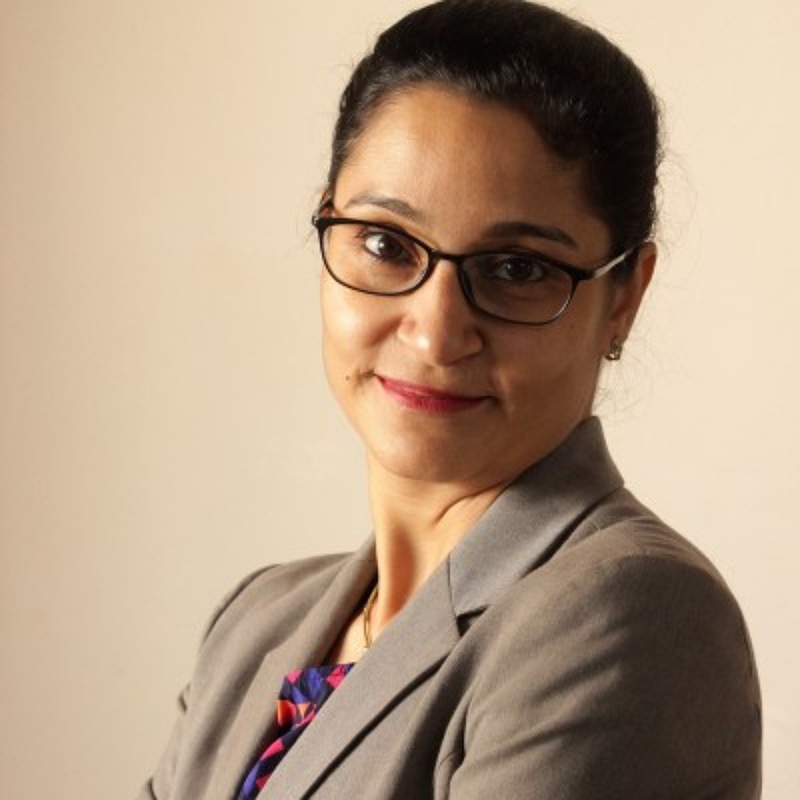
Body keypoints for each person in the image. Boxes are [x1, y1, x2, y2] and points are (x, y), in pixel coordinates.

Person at [139, 1, 761, 797]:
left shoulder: (627, 609)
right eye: (386, 244)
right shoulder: (255, 623)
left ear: (624, 299)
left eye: (517, 268)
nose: (435, 334)